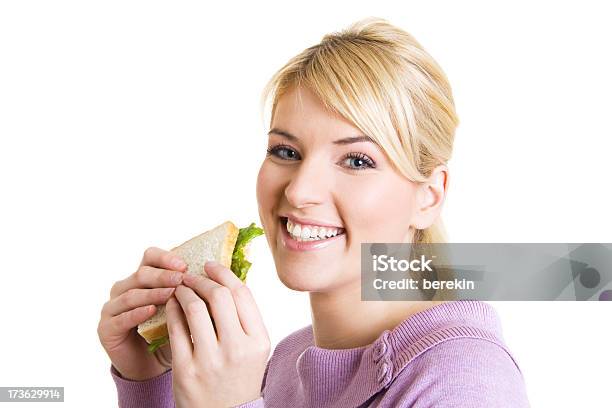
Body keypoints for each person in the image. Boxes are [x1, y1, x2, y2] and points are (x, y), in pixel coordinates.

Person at [97, 17, 530, 407]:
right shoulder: (283, 363)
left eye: (357, 161)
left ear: (429, 196)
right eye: (286, 151)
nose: (300, 190)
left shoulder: (465, 382)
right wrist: (152, 381)